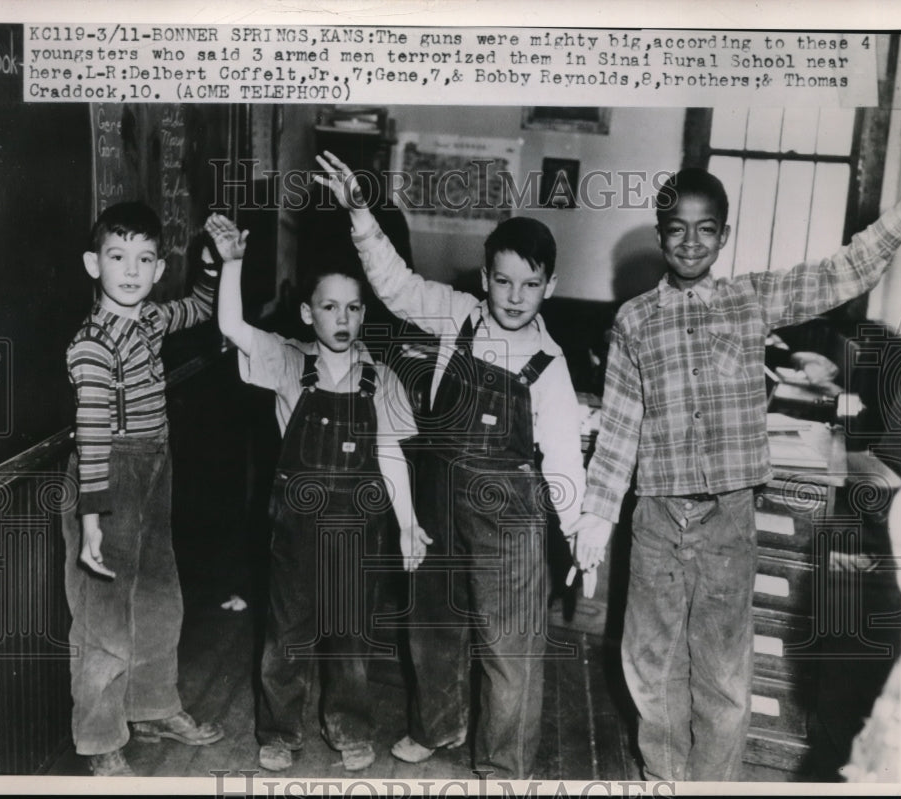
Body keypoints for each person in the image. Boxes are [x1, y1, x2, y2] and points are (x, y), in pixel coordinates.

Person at [568, 168, 901, 781]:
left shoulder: (750, 299)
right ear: (660, 234)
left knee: (722, 672)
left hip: (727, 517)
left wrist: (900, 221)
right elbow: (619, 425)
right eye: (677, 230)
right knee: (650, 664)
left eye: (705, 230)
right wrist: (595, 514)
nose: (690, 242)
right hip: (656, 520)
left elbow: (840, 273)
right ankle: (663, 777)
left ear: (724, 236)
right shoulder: (634, 320)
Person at [316, 151, 586, 780]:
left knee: (507, 645)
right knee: (432, 622)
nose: (513, 297)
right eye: (502, 280)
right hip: (439, 491)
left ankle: (502, 764)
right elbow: (394, 283)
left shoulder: (551, 363)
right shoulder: (457, 313)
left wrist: (576, 532)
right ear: (484, 277)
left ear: (551, 285)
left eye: (529, 283)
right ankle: (438, 726)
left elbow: (566, 454)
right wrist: (360, 215)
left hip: (512, 512)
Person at [209, 213, 426, 773]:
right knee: (288, 635)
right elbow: (232, 327)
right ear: (308, 313)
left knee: (350, 637)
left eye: (353, 307)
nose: (342, 318)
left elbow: (391, 454)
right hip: (296, 530)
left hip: (360, 528)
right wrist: (232, 264)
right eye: (329, 306)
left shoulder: (381, 377)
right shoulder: (287, 360)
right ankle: (280, 731)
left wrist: (405, 523)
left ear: (364, 313)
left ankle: (350, 726)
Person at [62, 201, 225, 777]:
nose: (131, 270)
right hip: (107, 477)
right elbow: (93, 435)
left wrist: (211, 261)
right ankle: (101, 740)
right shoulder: (93, 344)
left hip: (156, 464)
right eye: (117, 256)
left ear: (158, 269)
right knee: (103, 616)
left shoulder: (151, 318)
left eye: (144, 259)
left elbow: (204, 307)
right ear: (93, 263)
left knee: (158, 597)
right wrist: (91, 521)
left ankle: (152, 707)